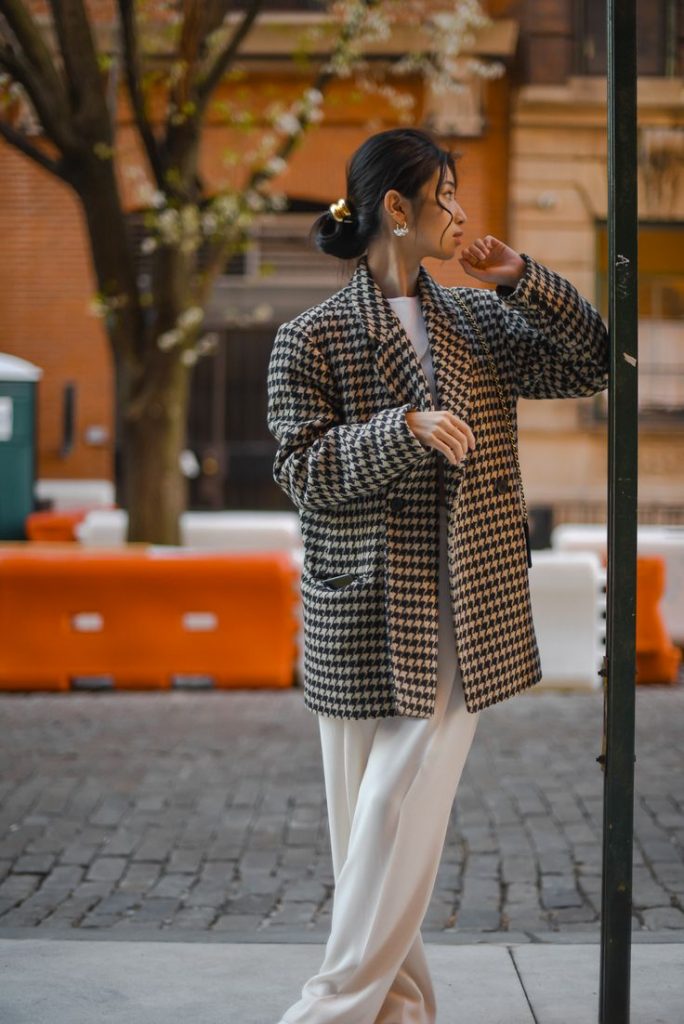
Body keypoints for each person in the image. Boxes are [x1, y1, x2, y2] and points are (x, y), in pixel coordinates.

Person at [266, 127, 609, 1024]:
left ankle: (330, 1008)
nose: (458, 210)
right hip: (360, 605)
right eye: (444, 193)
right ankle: (399, 1004)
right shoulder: (310, 338)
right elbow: (301, 470)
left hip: (464, 601)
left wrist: (522, 278)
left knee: (395, 804)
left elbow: (591, 361)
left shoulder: (479, 320)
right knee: (366, 823)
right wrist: (404, 429)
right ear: (397, 208)